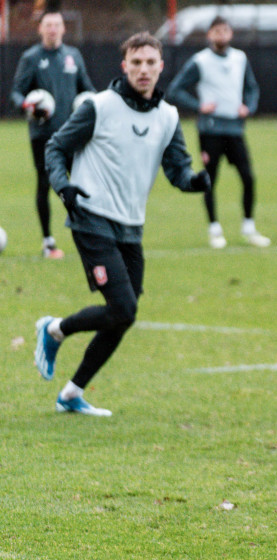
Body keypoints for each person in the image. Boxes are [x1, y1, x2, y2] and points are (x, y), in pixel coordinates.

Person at [34, 32, 211, 417]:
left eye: (150, 62)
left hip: (131, 226)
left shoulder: (168, 116)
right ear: (124, 66)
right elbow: (56, 148)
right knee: (123, 306)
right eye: (136, 62)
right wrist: (63, 186)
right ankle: (53, 329)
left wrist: (194, 181)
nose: (144, 69)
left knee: (123, 314)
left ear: (161, 66)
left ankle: (70, 392)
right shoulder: (100, 107)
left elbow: (177, 168)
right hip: (91, 218)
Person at [168, 16, 269, 249]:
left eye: (225, 30)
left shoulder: (240, 58)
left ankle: (249, 227)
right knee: (210, 179)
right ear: (209, 35)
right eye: (216, 31)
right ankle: (214, 229)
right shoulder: (200, 61)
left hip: (235, 128)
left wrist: (249, 106)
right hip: (210, 130)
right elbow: (175, 89)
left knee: (248, 177)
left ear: (230, 34)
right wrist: (198, 106)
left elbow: (252, 88)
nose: (221, 35)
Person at [9, 10, 95, 259]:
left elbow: (87, 89)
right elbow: (16, 92)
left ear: (63, 29)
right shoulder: (31, 58)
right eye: (48, 25)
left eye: (57, 24)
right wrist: (27, 104)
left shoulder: (73, 56)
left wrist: (92, 102)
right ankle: (48, 242)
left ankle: (88, 236)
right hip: (43, 135)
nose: (53, 29)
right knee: (45, 183)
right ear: (41, 29)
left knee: (81, 182)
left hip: (72, 134)